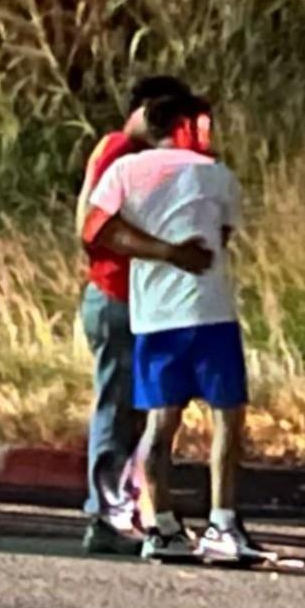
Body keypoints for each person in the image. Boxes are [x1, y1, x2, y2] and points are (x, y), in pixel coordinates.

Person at [82, 93, 261, 562]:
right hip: (211, 311)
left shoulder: (125, 170)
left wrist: (159, 251)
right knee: (227, 419)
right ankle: (222, 522)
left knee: (159, 423)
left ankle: (162, 526)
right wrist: (183, 250)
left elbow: (95, 229)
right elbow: (222, 235)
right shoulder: (217, 175)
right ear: (186, 124)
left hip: (155, 317)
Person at [76, 75, 213, 555]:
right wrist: (166, 252)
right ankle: (106, 513)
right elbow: (91, 228)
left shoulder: (147, 159)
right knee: (117, 407)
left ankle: (131, 508)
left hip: (144, 301)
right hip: (116, 296)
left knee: (142, 409)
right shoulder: (117, 150)